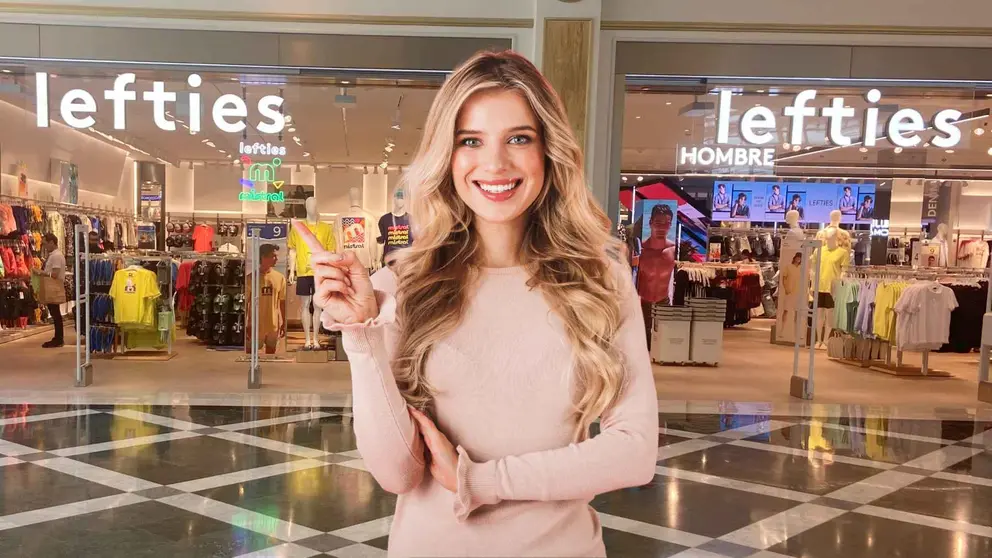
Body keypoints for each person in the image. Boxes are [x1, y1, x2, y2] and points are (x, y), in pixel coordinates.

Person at [292, 50, 657, 558]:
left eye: (518, 138)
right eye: (471, 141)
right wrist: (361, 334)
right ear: (448, 154)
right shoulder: (401, 284)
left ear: (548, 150)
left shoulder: (600, 281)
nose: (495, 164)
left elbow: (636, 453)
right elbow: (397, 473)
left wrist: (484, 481)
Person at [245, 243, 287, 354]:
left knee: (270, 357)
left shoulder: (280, 278)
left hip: (273, 326)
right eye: (273, 256)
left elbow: (282, 302)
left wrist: (284, 323)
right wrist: (245, 325)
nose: (276, 259)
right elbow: (245, 304)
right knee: (250, 357)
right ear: (263, 257)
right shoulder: (250, 278)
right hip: (254, 326)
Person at [33, 233, 65, 348]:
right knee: (55, 313)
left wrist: (42, 272)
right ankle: (58, 338)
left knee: (56, 314)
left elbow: (55, 274)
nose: (45, 246)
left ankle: (58, 339)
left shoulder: (56, 256)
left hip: (53, 287)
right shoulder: (55, 255)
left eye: (45, 244)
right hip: (53, 287)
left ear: (52, 242)